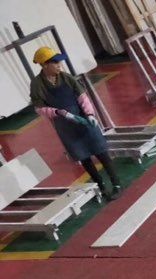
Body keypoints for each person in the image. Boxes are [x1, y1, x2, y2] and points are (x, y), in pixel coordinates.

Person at [29, 46, 122, 200]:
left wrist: (90, 114)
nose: (59, 65)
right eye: (55, 63)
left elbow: (82, 97)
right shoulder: (37, 84)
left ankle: (116, 184)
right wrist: (57, 112)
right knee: (83, 155)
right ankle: (100, 185)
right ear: (45, 65)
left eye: (59, 62)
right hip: (65, 126)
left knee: (101, 151)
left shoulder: (66, 78)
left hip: (83, 120)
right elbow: (39, 108)